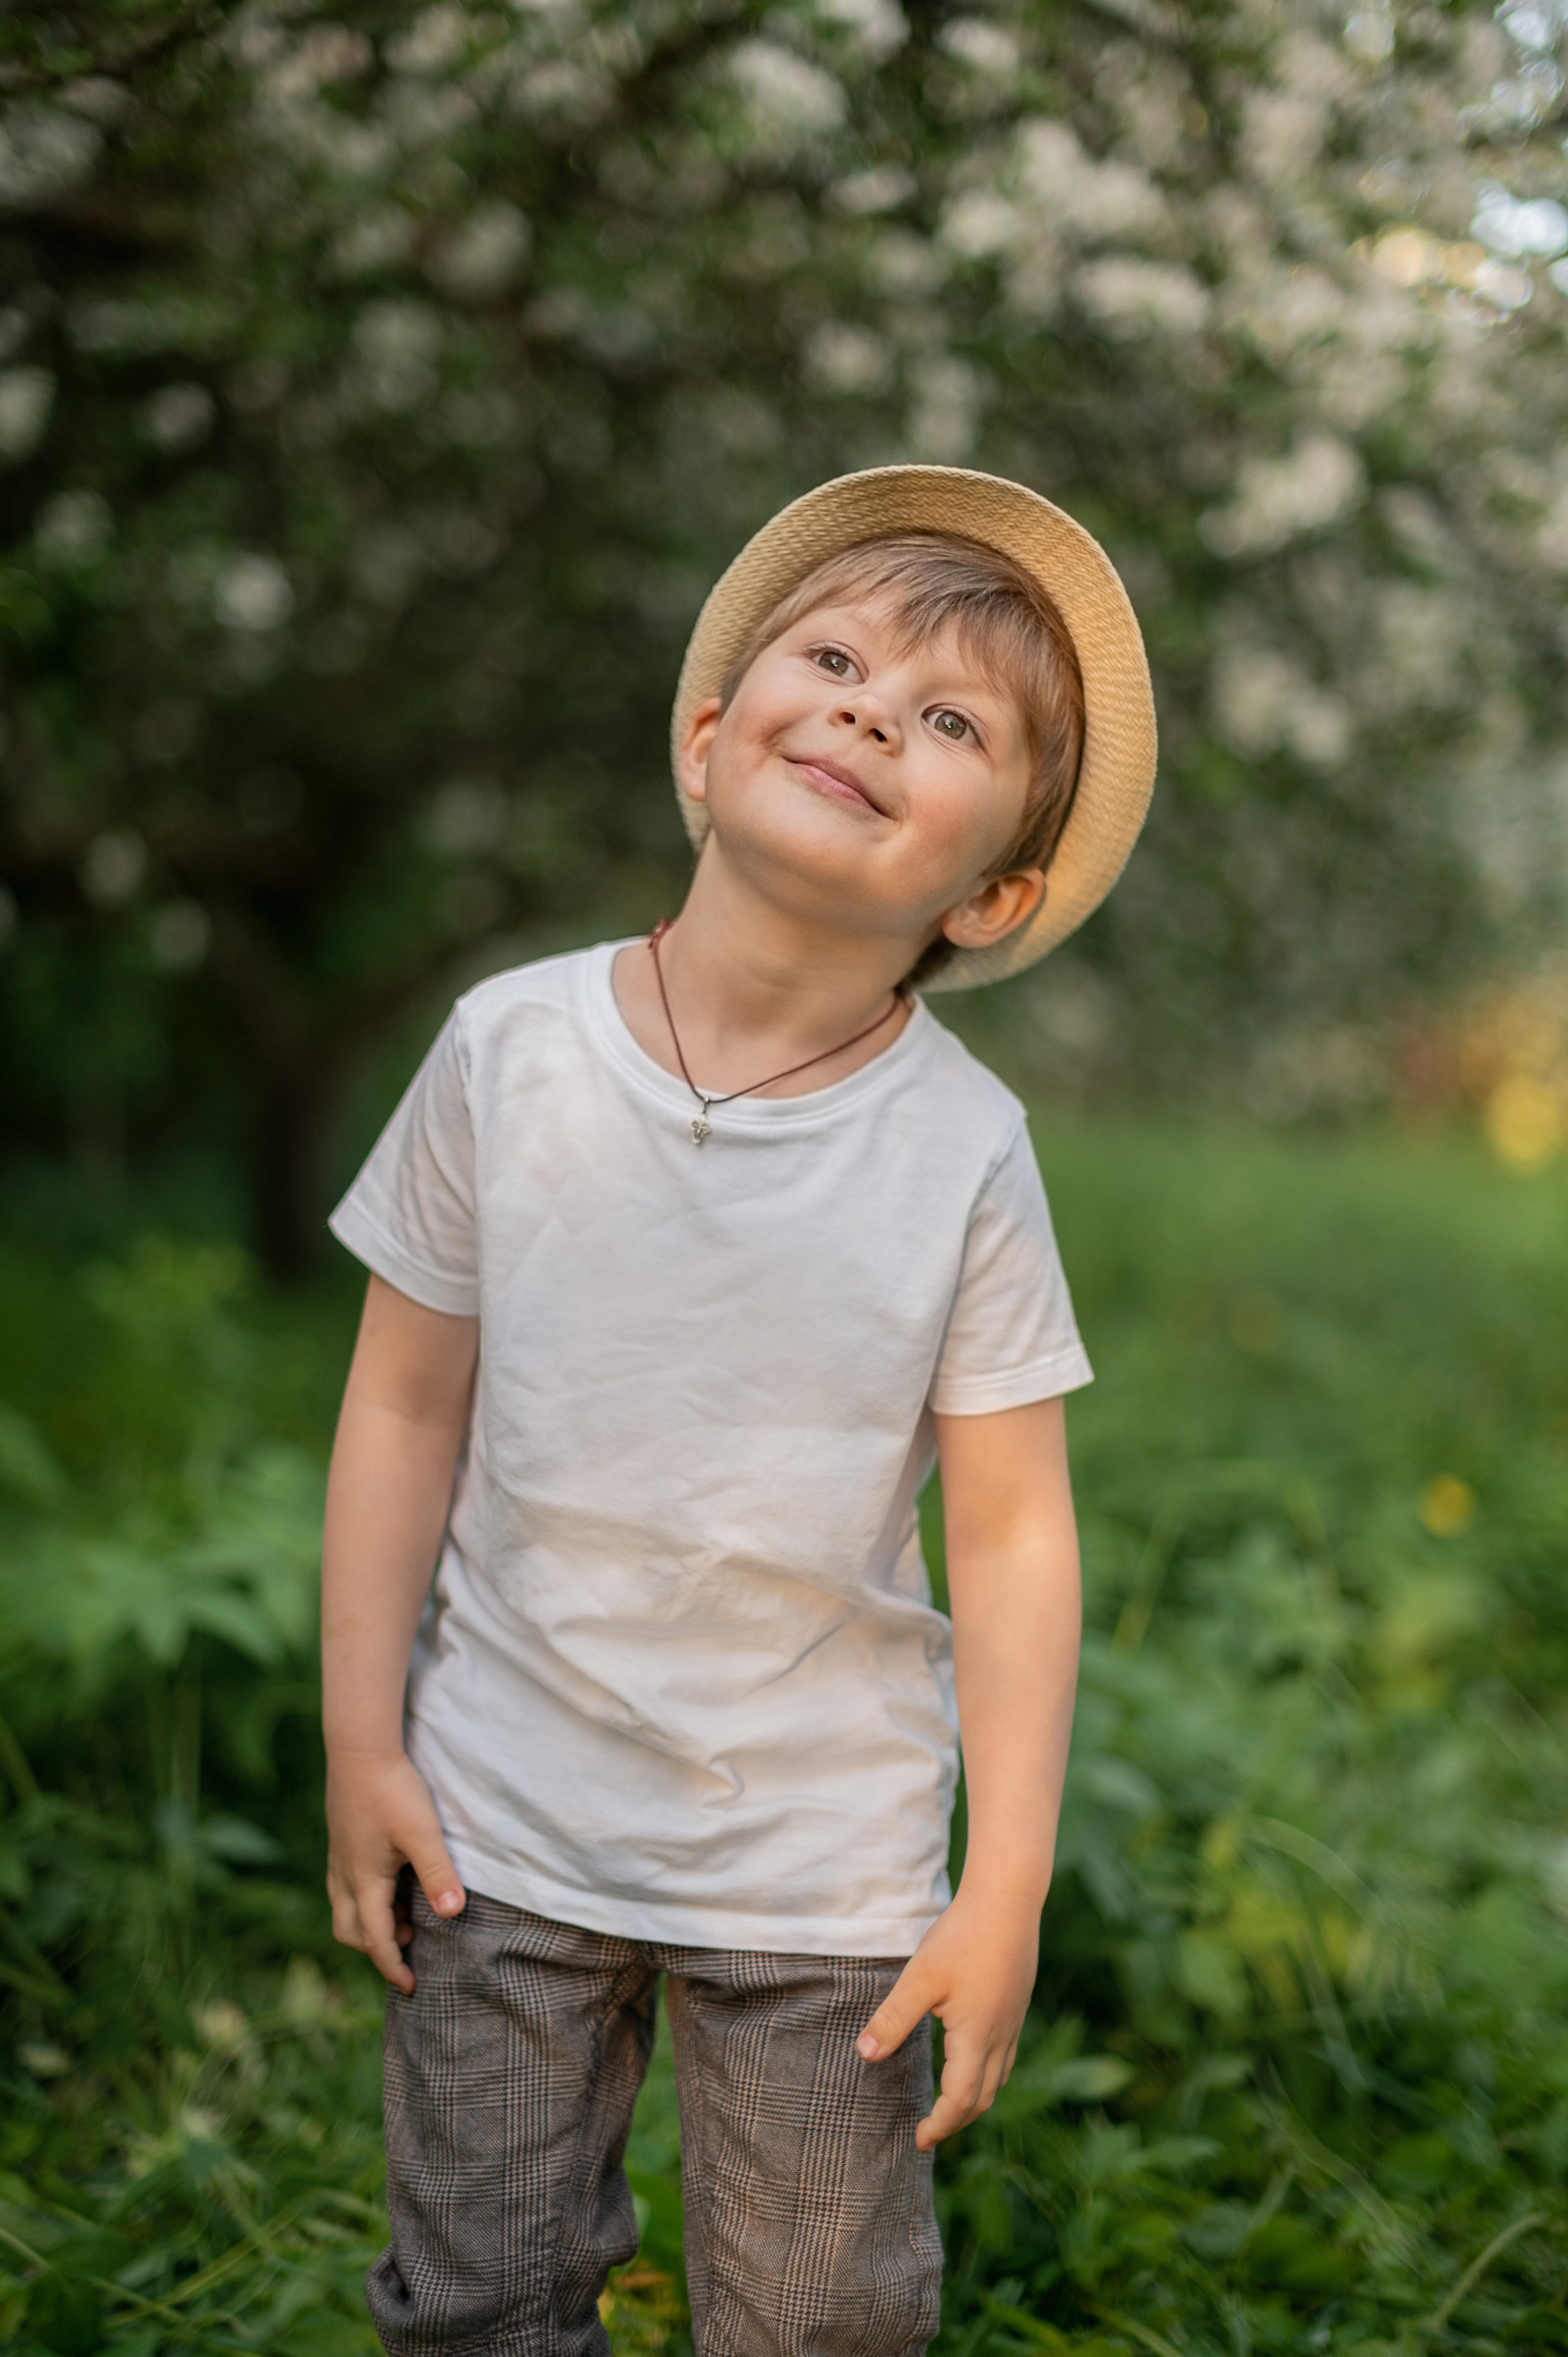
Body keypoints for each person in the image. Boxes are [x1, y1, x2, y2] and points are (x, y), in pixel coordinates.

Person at [321, 464, 1156, 2357]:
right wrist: (362, 1737)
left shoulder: (963, 1152)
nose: (871, 714)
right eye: (836, 663)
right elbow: (402, 1407)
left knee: (818, 2324)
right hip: (497, 1818)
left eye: (951, 721)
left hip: (823, 1860)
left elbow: (1013, 1529)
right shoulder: (510, 1050)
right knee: (478, 2300)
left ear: (994, 894)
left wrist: (1004, 1883)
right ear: (707, 742)